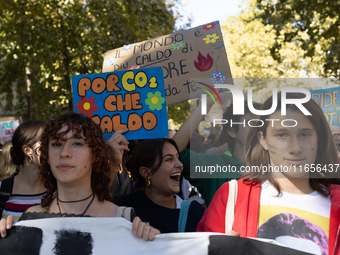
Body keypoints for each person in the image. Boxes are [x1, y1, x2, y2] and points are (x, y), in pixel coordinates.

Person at [197, 93, 340, 255]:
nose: (295, 148)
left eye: (304, 134)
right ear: (263, 139)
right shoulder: (232, 196)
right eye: (281, 135)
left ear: (319, 139)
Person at [0, 113, 160, 241]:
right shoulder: (29, 220)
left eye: (77, 143)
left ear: (95, 155)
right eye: (56, 144)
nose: (64, 153)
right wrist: (7, 240)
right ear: (47, 156)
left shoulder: (125, 220)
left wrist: (146, 243)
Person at [173, 100, 261, 206]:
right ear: (232, 131)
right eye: (251, 123)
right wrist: (203, 107)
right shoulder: (214, 166)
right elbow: (175, 152)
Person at [112, 138, 205, 233]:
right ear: (146, 172)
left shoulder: (194, 212)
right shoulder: (123, 208)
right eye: (169, 159)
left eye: (178, 158)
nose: (180, 164)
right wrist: (113, 163)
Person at [0, 120, 47, 222]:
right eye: (46, 142)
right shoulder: (3, 190)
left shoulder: (58, 189)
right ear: (28, 150)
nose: (52, 148)